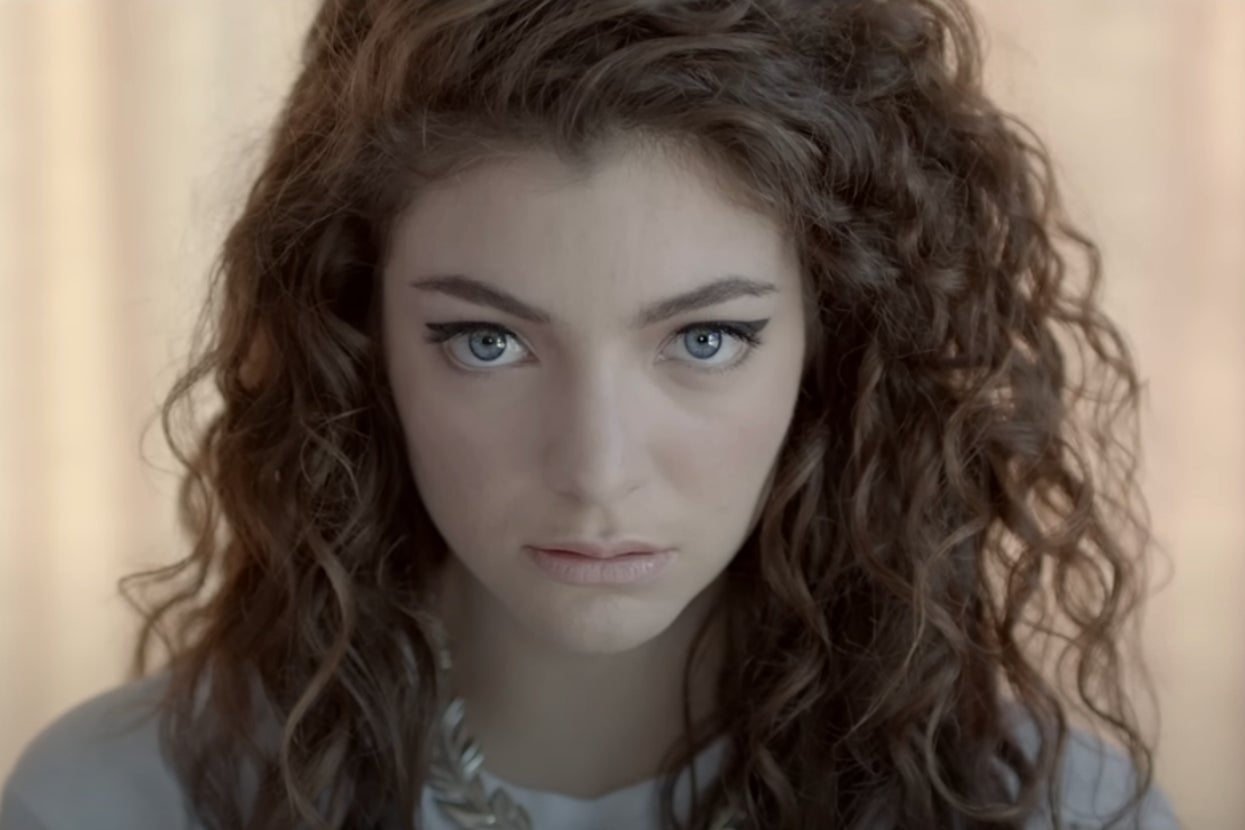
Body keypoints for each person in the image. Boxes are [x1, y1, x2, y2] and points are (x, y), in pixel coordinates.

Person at [0, 0, 1183, 828]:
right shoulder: (126, 800)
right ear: (356, 345)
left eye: (705, 339)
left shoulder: (1047, 812)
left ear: (836, 350)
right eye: (490, 340)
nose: (596, 468)